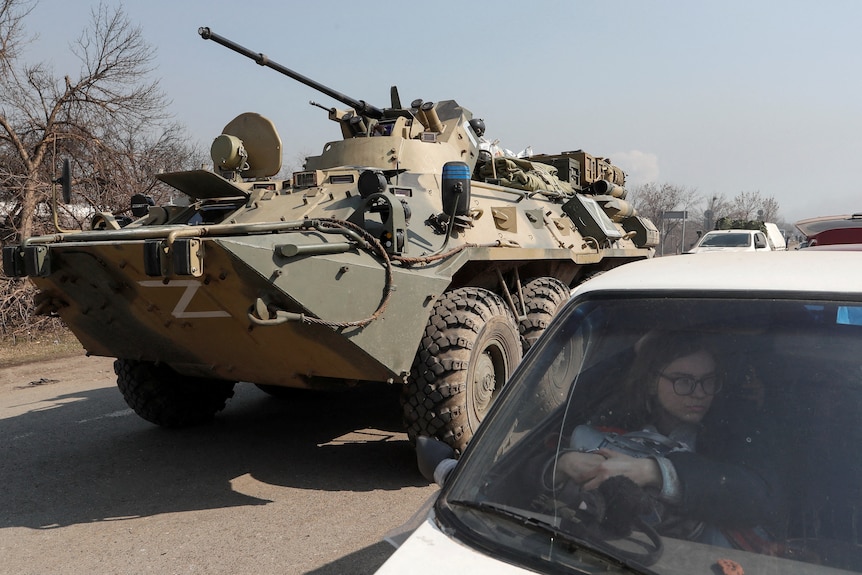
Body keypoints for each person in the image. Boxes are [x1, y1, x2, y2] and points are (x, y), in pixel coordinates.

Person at [554, 330, 786, 545]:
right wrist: (563, 463)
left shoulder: (734, 426)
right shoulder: (622, 417)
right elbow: (577, 398)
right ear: (651, 383)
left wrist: (655, 471)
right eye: (683, 381)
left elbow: (759, 495)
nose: (700, 393)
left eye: (709, 380)